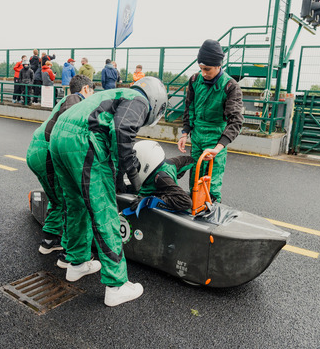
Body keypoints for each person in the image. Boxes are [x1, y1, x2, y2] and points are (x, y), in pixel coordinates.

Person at [49, 76, 168, 307]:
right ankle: (116, 285)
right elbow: (122, 131)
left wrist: (117, 176)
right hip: (82, 140)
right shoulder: (139, 99)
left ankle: (77, 263)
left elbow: (112, 135)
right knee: (104, 211)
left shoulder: (114, 94)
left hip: (58, 137)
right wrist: (134, 176)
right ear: (156, 101)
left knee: (75, 205)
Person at [27, 75, 95, 258]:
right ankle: (69, 252)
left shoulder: (67, 99)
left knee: (57, 199)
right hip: (46, 154)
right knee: (69, 201)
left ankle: (50, 241)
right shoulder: (75, 100)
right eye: (92, 91)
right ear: (86, 89)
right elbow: (60, 131)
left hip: (39, 152)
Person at [177, 39, 244, 203]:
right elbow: (189, 107)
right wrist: (185, 133)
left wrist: (219, 147)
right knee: (195, 180)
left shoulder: (230, 86)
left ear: (219, 65)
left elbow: (236, 120)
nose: (204, 73)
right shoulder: (194, 80)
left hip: (215, 141)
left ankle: (211, 214)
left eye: (207, 69)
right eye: (201, 68)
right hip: (197, 137)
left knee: (211, 186)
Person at [127, 140, 194, 212]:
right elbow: (190, 160)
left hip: (178, 213)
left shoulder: (161, 178)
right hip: (165, 189)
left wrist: (149, 201)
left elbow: (186, 202)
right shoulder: (168, 165)